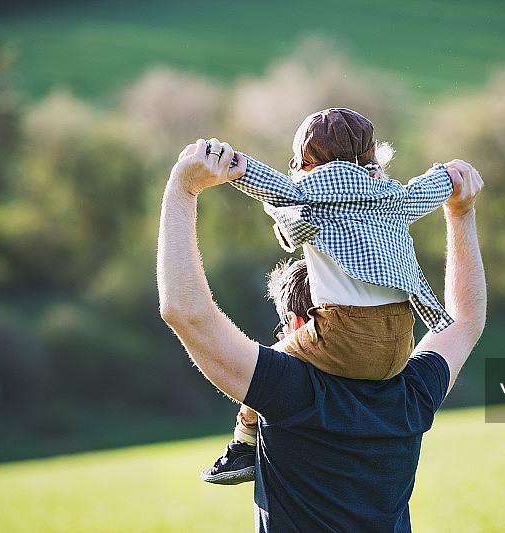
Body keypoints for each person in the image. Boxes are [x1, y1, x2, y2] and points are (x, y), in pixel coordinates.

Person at [157, 137, 485, 531]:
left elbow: (185, 313)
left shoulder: (290, 391)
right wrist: (461, 212)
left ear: (299, 323)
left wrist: (183, 188)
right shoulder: (411, 392)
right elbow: (465, 320)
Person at [202, 109, 456, 482]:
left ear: (305, 162)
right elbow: (429, 188)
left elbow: (264, 181)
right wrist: (450, 174)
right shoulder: (393, 197)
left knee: (263, 368)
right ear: (371, 156)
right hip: (402, 341)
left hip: (344, 334)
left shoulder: (307, 195)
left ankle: (243, 444)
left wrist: (228, 161)